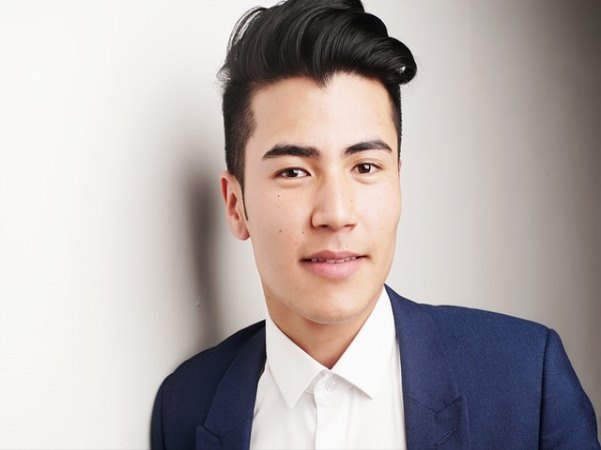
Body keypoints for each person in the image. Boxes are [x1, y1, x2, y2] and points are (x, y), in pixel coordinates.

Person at [151, 0, 600, 448]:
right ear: (236, 205)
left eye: (365, 167)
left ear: (397, 182)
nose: (336, 214)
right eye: (294, 171)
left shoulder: (527, 381)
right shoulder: (186, 406)